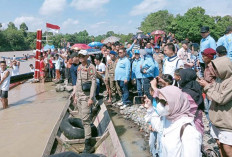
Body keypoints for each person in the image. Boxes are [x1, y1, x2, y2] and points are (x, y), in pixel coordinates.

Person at [198, 56, 232, 157]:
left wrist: (207, 87)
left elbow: (221, 99)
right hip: (217, 121)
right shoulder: (218, 79)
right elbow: (212, 95)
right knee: (219, 144)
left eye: (216, 69)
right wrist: (204, 87)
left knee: (228, 147)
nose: (214, 72)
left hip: (227, 121)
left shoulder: (230, 82)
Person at [154, 86, 202, 157]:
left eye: (163, 102)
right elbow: (157, 126)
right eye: (158, 100)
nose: (159, 105)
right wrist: (149, 109)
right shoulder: (167, 119)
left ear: (175, 102)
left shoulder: (188, 131)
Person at [75, 50, 97, 153]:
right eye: (79, 56)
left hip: (86, 97)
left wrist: (91, 98)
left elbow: (93, 83)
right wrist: (75, 95)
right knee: (83, 119)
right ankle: (87, 137)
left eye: (83, 56)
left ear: (87, 56)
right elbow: (77, 81)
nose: (81, 58)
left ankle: (88, 145)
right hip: (79, 97)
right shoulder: (79, 67)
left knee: (86, 121)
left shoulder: (91, 67)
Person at [178, 69, 204, 135]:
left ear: (185, 78)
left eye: (181, 77)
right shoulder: (195, 86)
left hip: (190, 122)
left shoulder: (187, 92)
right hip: (197, 118)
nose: (180, 79)